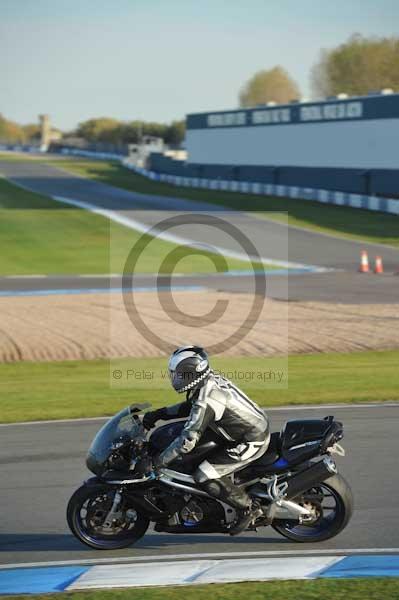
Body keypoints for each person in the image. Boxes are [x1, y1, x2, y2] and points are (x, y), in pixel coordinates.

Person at [142, 345, 270, 535]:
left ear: (192, 372)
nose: (175, 378)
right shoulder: (206, 383)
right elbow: (190, 407)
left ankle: (248, 508)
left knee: (204, 475)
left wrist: (158, 462)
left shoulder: (207, 398)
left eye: (180, 374)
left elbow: (187, 441)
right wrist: (159, 414)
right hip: (238, 431)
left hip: (250, 440)